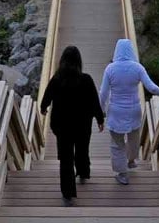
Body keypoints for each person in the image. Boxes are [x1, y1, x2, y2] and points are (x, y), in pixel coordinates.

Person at [40, 46, 105, 206]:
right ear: (79, 62)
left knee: (66, 158)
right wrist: (99, 119)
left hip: (62, 126)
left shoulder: (56, 80)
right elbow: (94, 101)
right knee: (82, 149)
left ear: (62, 61)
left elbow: (46, 98)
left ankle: (67, 193)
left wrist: (43, 108)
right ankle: (83, 172)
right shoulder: (86, 79)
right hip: (82, 124)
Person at [99, 38, 159, 185]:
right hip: (134, 110)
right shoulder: (138, 68)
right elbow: (151, 87)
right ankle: (131, 161)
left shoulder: (110, 69)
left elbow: (103, 93)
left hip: (116, 111)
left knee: (117, 144)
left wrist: (101, 111)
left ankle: (122, 173)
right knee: (133, 139)